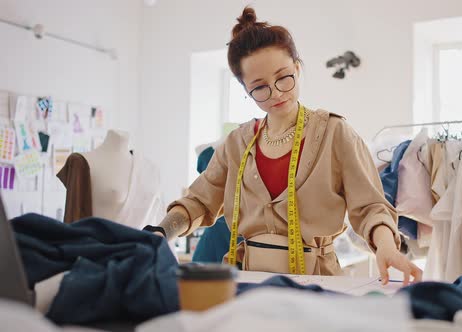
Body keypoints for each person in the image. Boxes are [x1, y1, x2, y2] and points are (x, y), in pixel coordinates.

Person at [145, 6, 422, 285]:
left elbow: (372, 206)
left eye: (283, 77)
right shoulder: (236, 143)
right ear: (245, 90)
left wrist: (386, 246)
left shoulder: (335, 133)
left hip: (316, 282)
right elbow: (197, 202)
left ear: (297, 68)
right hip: (247, 282)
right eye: (260, 87)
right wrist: (160, 233)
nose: (276, 92)